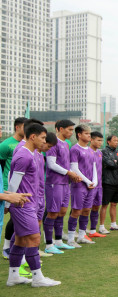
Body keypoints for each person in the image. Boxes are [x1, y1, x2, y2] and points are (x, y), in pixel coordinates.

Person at [6, 123, 61, 287]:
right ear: (33, 137)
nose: (45, 142)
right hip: (23, 204)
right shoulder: (24, 155)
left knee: (21, 240)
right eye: (43, 138)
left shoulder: (32, 153)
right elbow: (13, 183)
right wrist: (10, 203)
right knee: (34, 238)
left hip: (29, 203)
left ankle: (13, 276)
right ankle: (38, 278)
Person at [44, 120, 81, 254]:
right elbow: (51, 164)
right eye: (69, 130)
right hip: (54, 182)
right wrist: (69, 173)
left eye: (72, 130)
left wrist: (73, 174)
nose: (71, 132)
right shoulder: (53, 143)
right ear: (60, 129)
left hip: (65, 183)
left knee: (62, 212)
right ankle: (48, 244)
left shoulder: (66, 144)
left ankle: (58, 241)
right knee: (52, 212)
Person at [1, 117, 27, 259]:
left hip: (24, 187)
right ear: (17, 127)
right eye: (25, 126)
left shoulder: (28, 144)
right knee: (13, 218)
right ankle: (6, 247)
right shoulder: (6, 145)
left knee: (19, 219)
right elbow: (2, 166)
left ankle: (16, 247)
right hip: (8, 187)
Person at [67, 125, 98, 247]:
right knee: (76, 211)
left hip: (90, 185)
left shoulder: (91, 150)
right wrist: (87, 181)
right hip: (79, 185)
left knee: (86, 210)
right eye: (86, 133)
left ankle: (81, 236)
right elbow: (74, 168)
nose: (89, 136)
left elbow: (94, 167)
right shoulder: (75, 149)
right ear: (79, 135)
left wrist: (94, 182)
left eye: (90, 134)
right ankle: (70, 239)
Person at [99, 135, 118, 233]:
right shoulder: (104, 152)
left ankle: (113, 224)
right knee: (105, 204)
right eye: (114, 140)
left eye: (117, 140)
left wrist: (117, 161)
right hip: (107, 181)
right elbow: (109, 164)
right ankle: (102, 226)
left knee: (114, 204)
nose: (116, 142)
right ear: (108, 141)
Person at [36, 132, 57, 257]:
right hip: (30, 195)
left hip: (40, 192)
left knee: (37, 222)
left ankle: (35, 249)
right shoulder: (26, 153)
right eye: (43, 139)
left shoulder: (39, 155)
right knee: (26, 226)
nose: (45, 144)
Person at [88, 132, 106, 238]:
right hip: (89, 185)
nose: (100, 142)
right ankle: (81, 230)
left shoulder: (99, 153)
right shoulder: (87, 151)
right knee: (85, 208)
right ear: (92, 140)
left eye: (101, 140)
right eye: (98, 140)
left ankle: (93, 230)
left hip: (99, 185)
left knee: (96, 207)